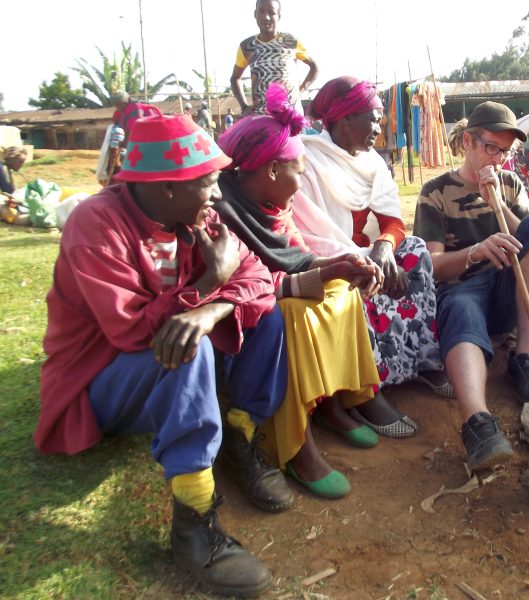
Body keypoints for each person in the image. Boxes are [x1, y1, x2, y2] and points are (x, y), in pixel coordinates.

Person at [35, 114, 293, 597]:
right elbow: (130, 331)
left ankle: (238, 439)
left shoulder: (198, 217)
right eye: (209, 183)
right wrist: (208, 284)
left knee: (266, 316)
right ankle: (195, 527)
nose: (217, 195)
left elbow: (258, 277)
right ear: (169, 188)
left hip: (157, 359)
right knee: (184, 343)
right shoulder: (96, 224)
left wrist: (213, 307)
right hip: (99, 382)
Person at [214, 85, 406, 498]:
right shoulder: (222, 214)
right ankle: (296, 444)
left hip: (273, 290)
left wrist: (342, 266)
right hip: (238, 322)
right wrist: (323, 271)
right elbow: (253, 288)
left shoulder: (270, 203)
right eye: (298, 171)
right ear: (269, 172)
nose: (301, 180)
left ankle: (336, 401)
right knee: (293, 316)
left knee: (344, 288)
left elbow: (296, 256)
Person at [413, 101, 529, 471]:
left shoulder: (510, 183)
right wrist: (475, 252)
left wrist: (493, 200)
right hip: (463, 290)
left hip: (510, 292)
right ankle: (477, 424)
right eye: (491, 147)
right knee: (460, 307)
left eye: (506, 152)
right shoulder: (435, 193)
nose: (499, 159)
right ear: (468, 141)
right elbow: (429, 267)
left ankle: (524, 359)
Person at [291, 76, 450, 413]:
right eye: (374, 118)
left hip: (374, 253)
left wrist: (384, 247)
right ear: (346, 119)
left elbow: (392, 221)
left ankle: (423, 360)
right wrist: (360, 259)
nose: (381, 125)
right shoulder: (308, 161)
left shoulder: (374, 163)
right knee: (351, 278)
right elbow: (310, 236)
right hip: (330, 259)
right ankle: (369, 389)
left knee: (418, 250)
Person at [230, 0, 318, 115]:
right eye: (261, 11)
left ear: (279, 16)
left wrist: (300, 91)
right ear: (255, 14)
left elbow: (314, 68)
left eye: (271, 12)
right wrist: (244, 106)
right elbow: (235, 78)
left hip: (290, 116)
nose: (266, 17)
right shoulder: (246, 46)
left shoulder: (291, 41)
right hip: (262, 119)